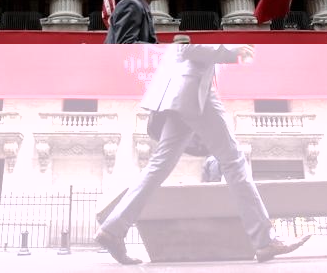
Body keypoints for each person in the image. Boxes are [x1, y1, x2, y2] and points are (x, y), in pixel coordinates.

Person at [95, 43, 311, 264]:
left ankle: (112, 230)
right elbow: (189, 45)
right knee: (234, 161)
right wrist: (233, 51)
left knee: (158, 166)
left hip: (181, 91)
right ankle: (265, 240)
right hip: (196, 90)